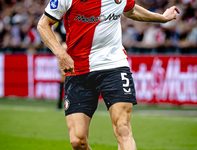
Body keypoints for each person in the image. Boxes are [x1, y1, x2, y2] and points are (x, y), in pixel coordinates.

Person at [37, 0, 179, 149]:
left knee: (123, 129)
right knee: (78, 141)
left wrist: (161, 18)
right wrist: (61, 55)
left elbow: (131, 10)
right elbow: (43, 24)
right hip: (78, 69)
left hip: (114, 66)